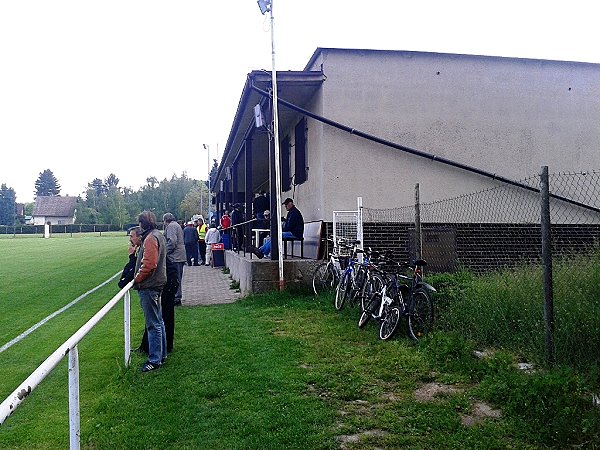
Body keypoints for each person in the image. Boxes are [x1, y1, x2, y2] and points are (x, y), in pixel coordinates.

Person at [133, 212, 167, 372]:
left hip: (150, 286)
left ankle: (154, 360)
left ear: (142, 224)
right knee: (159, 322)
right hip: (157, 284)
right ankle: (162, 355)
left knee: (153, 324)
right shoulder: (157, 235)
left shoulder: (150, 238)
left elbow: (149, 264)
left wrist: (137, 279)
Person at [163, 213, 186, 305]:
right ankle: (177, 296)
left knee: (175, 278)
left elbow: (172, 241)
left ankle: (176, 297)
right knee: (178, 277)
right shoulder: (176, 225)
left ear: (165, 220)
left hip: (175, 256)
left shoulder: (171, 226)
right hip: (180, 255)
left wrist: (164, 252)